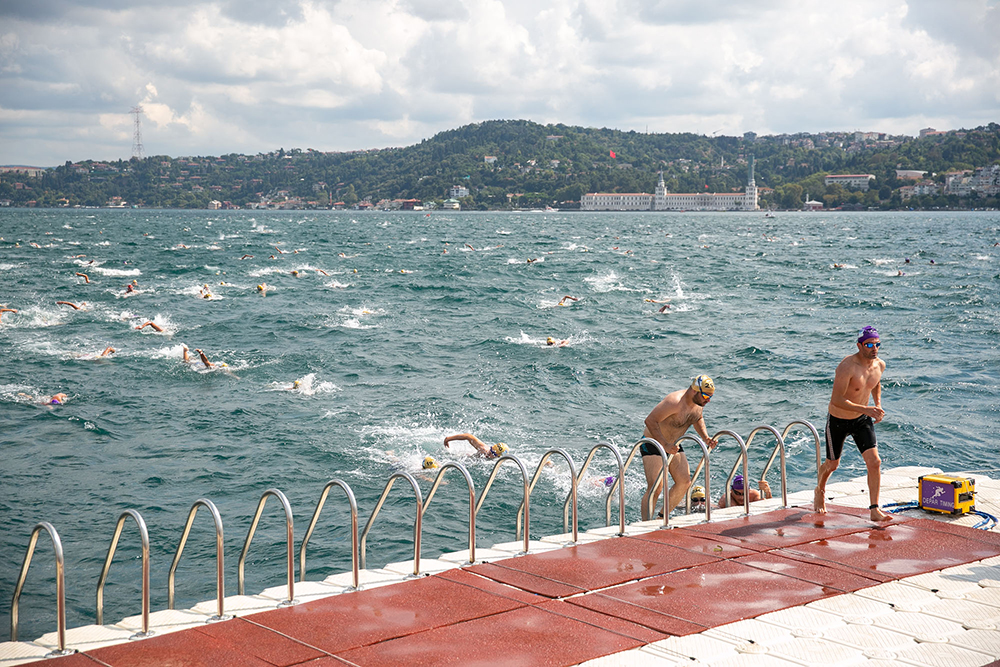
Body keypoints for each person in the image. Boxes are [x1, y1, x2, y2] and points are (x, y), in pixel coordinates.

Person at [814, 326, 890, 522]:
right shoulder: (847, 366)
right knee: (832, 465)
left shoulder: (879, 365)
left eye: (877, 344)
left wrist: (878, 405)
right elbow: (836, 399)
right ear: (859, 345)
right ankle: (820, 490)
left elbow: (875, 383)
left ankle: (874, 509)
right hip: (838, 420)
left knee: (875, 462)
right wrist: (866, 409)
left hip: (861, 420)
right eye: (869, 345)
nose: (874, 348)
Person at [640, 375, 719, 520]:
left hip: (673, 445)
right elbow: (650, 421)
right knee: (656, 487)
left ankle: (661, 518)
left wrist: (706, 438)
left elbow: (697, 418)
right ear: (695, 391)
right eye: (706, 396)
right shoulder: (674, 402)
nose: (708, 400)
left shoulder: (698, 405)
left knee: (684, 482)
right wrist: (664, 444)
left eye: (711, 397)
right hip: (653, 444)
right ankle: (644, 524)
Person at [443, 433, 509, 459]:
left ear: (498, 456)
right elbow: (468, 436)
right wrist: (448, 439)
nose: (489, 454)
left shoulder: (499, 460)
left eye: (493, 454)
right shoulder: (483, 449)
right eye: (491, 450)